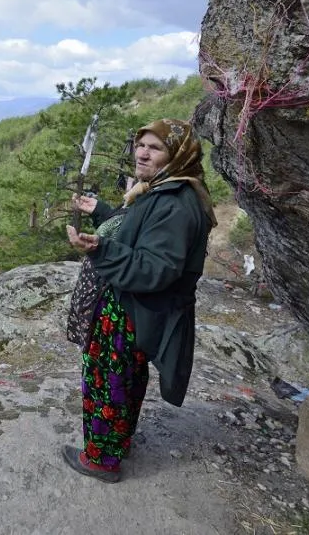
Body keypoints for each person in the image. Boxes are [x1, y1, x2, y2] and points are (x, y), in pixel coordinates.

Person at [62, 118, 217, 482]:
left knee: (107, 379)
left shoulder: (177, 203)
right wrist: (101, 211)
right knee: (126, 377)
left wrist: (102, 249)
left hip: (132, 309)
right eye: (140, 145)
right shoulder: (165, 190)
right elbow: (141, 231)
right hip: (134, 308)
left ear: (175, 154)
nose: (143, 153)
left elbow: (155, 268)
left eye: (155, 147)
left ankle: (100, 460)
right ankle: (117, 442)